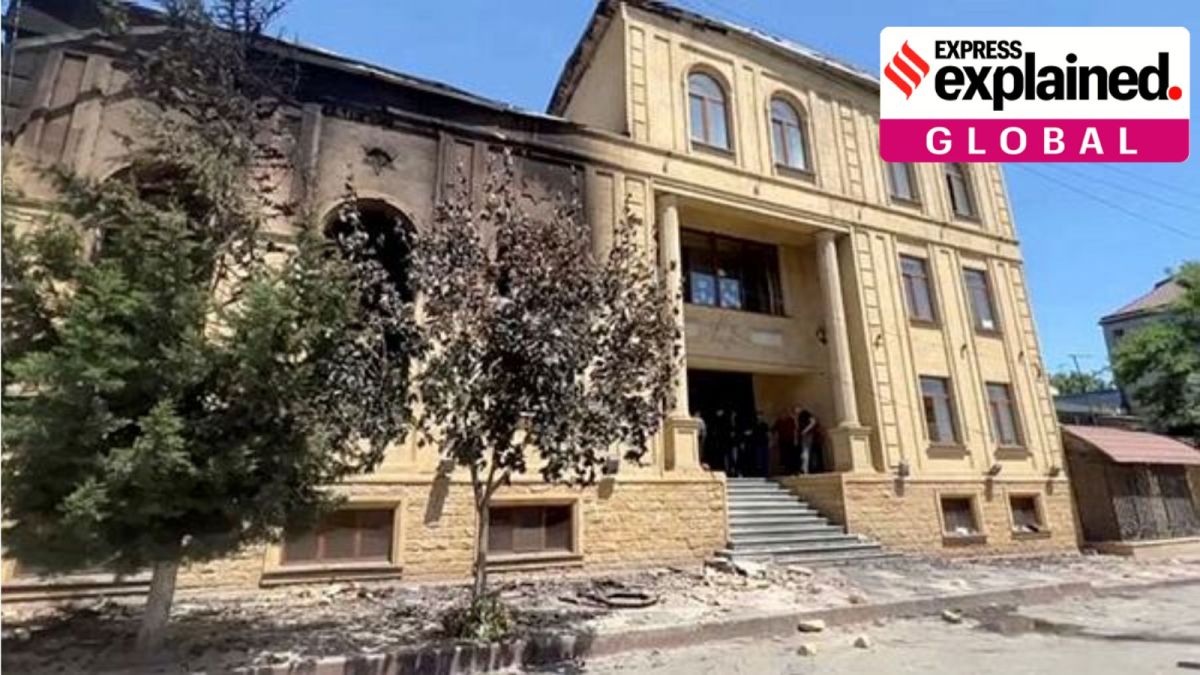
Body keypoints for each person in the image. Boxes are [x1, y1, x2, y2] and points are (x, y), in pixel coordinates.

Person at [796, 407, 817, 475]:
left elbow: (813, 422)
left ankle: (804, 469)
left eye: (795, 409)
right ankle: (804, 469)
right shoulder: (799, 416)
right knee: (805, 452)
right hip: (804, 436)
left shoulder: (805, 413)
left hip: (808, 435)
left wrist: (805, 430)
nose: (795, 412)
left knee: (805, 452)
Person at [751, 410, 770, 476]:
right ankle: (758, 473)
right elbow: (752, 434)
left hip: (764, 443)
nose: (759, 417)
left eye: (761, 415)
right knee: (758, 460)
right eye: (758, 415)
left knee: (765, 459)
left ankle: (765, 473)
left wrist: (770, 442)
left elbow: (768, 433)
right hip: (757, 444)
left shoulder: (765, 424)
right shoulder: (754, 425)